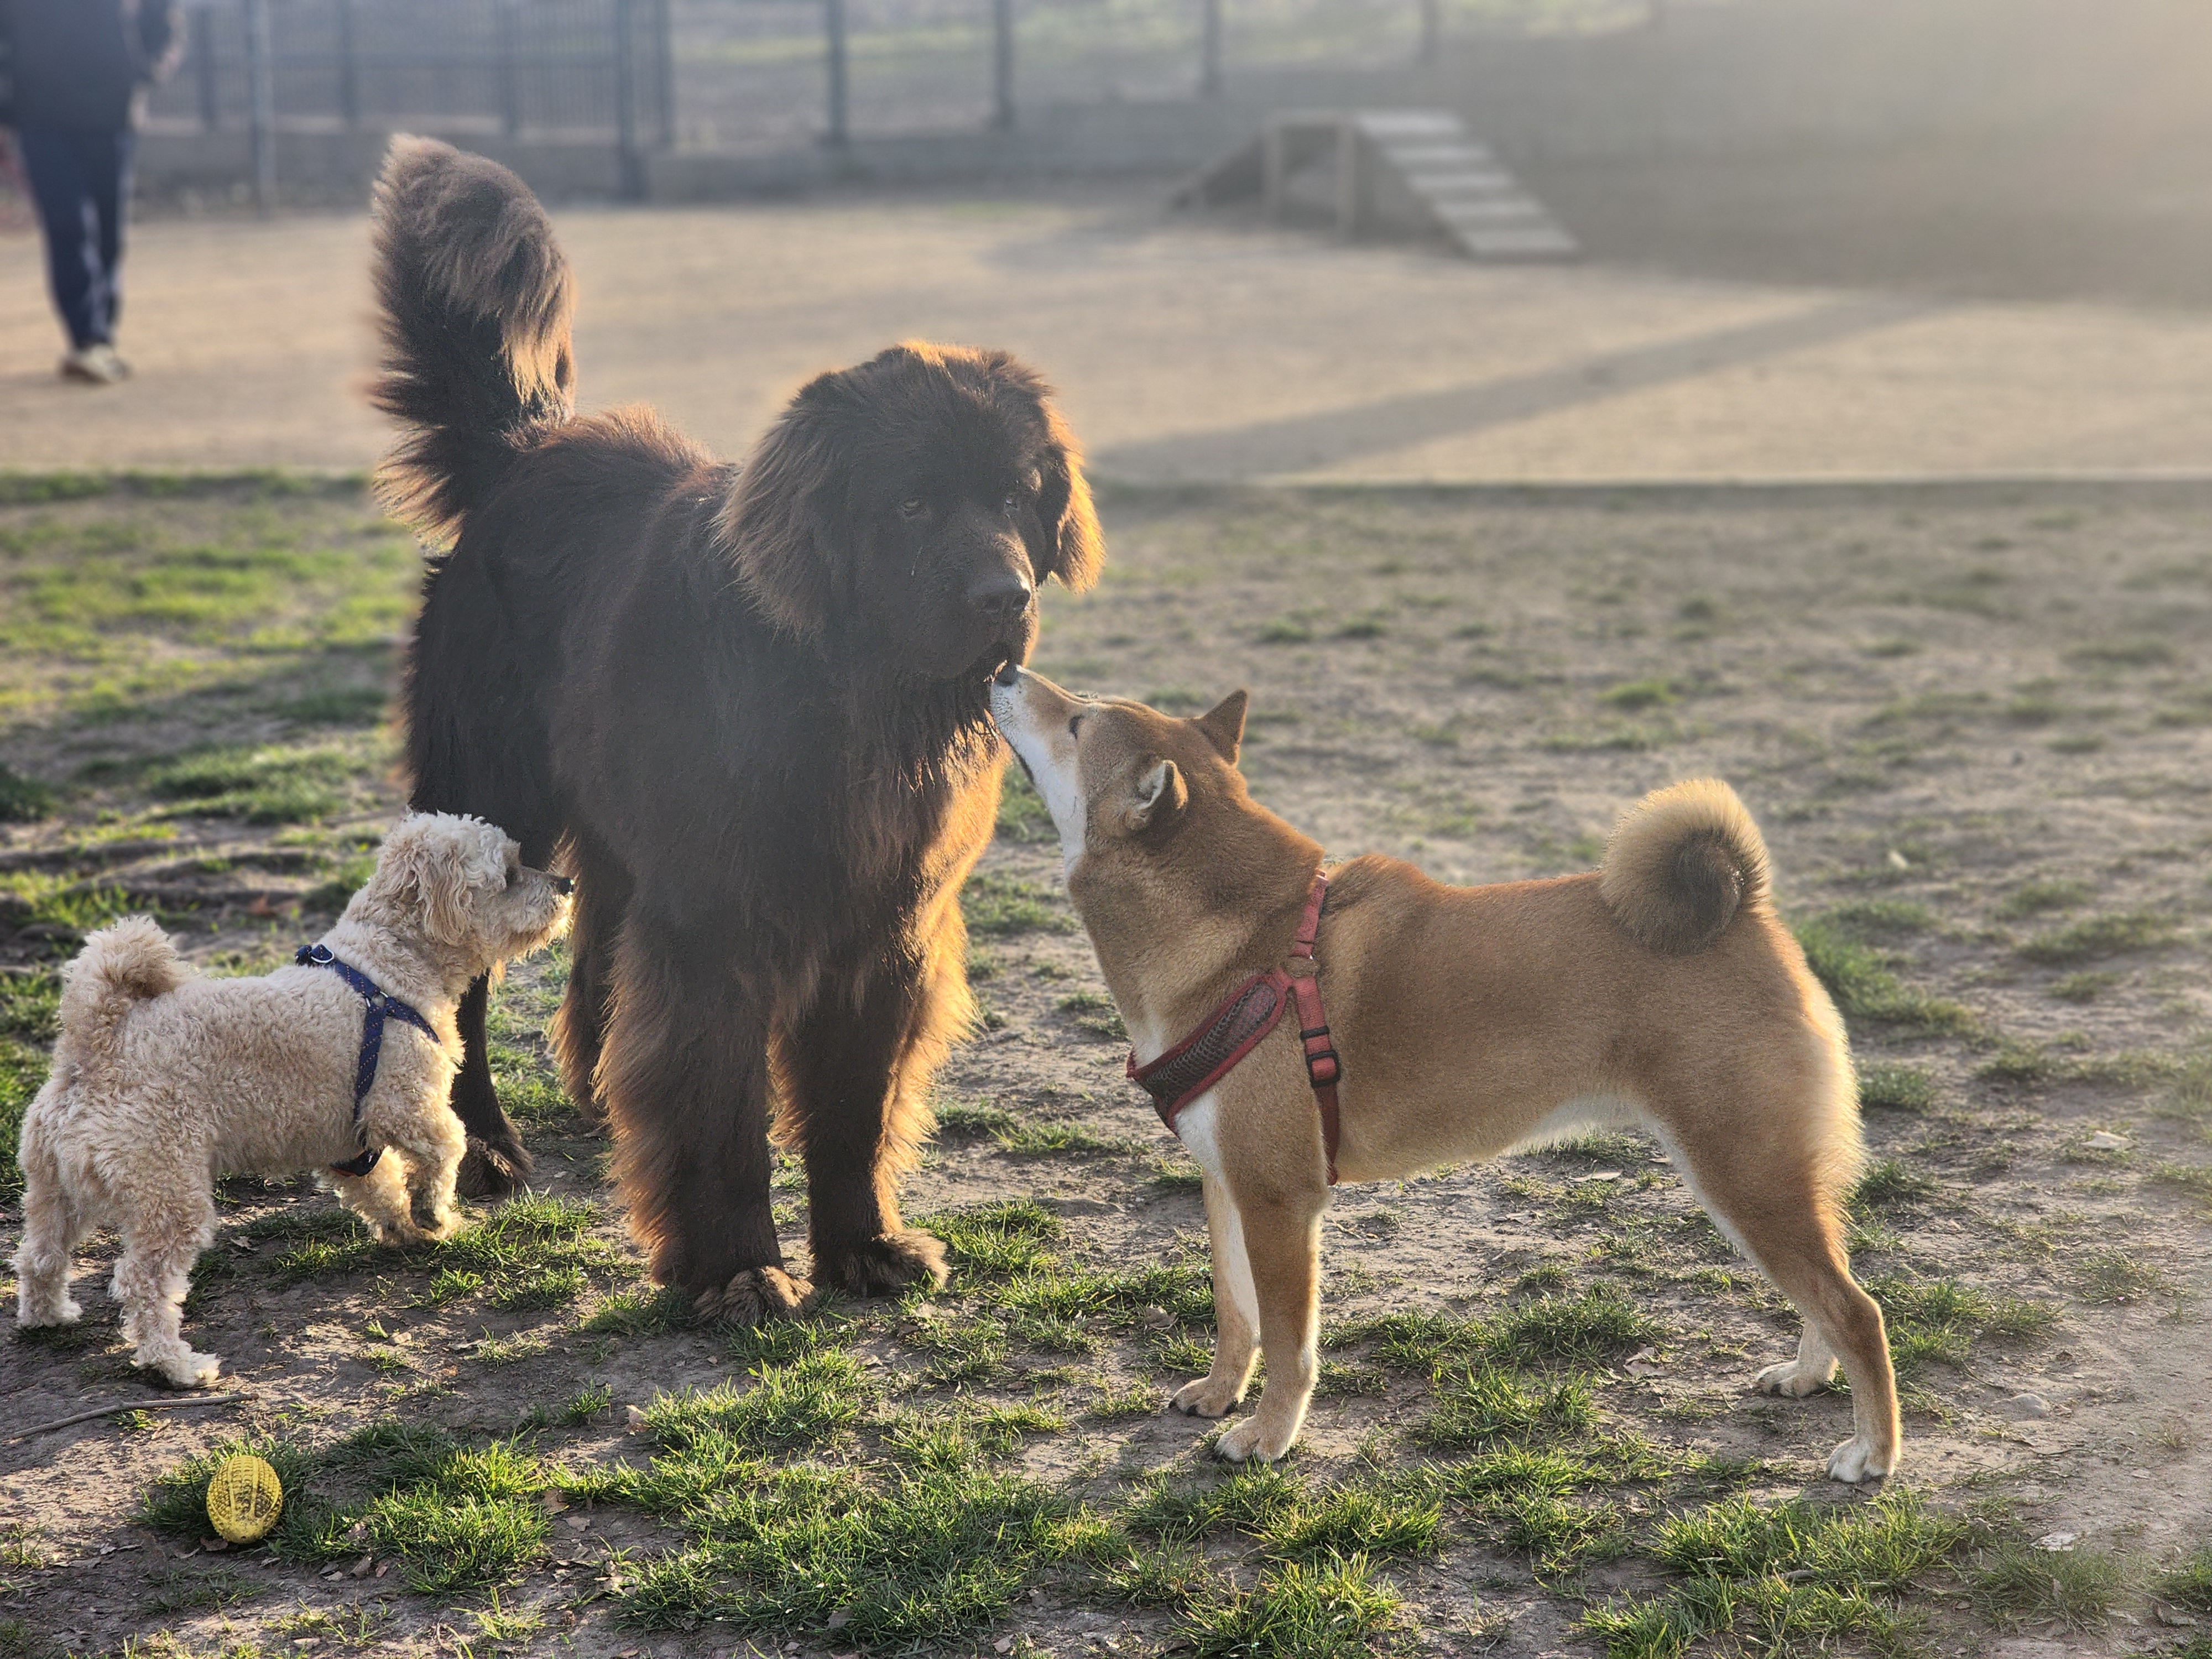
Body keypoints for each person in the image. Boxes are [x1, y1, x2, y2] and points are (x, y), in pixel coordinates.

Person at [0, 0, 181, 385]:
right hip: (39, 114)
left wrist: (145, 71)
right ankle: (87, 338)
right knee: (67, 224)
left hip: (113, 113)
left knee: (108, 230)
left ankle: (102, 334)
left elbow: (162, 16)